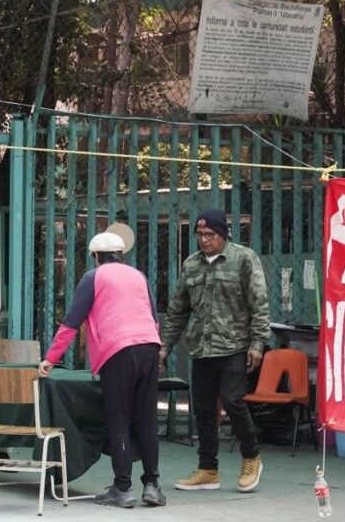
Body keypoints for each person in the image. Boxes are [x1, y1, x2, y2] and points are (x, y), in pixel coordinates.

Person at [38, 231, 165, 509]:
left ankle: (122, 488)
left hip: (118, 351)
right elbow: (154, 318)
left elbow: (72, 321)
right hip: (149, 347)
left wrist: (50, 358)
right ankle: (152, 486)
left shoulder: (92, 278)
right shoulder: (139, 276)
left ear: (96, 256)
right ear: (121, 255)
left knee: (118, 419)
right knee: (146, 419)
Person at [159, 208, 270, 493]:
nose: (205, 240)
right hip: (202, 348)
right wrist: (164, 346)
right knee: (204, 409)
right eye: (200, 235)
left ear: (224, 235)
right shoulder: (191, 265)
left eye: (211, 235)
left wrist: (258, 343)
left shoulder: (243, 259)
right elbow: (177, 311)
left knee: (232, 401)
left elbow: (259, 304)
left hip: (235, 345)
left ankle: (252, 456)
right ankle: (208, 469)